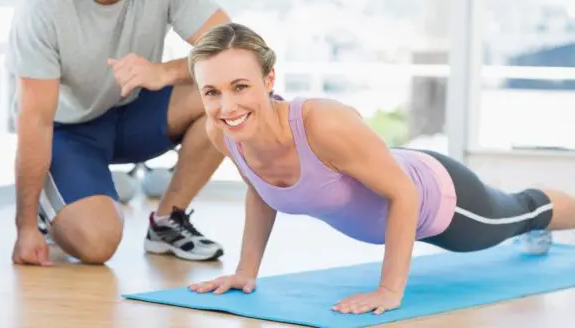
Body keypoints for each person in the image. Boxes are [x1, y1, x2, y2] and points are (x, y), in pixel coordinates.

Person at [185, 22, 575, 315]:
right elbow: (260, 189)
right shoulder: (221, 132)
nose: (227, 107)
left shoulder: (322, 123)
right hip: (394, 171)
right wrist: (245, 271)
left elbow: (404, 192)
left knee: (525, 211)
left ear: (269, 79)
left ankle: (544, 209)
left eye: (240, 87)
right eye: (212, 92)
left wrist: (389, 290)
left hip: (440, 201)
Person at [6, 0, 229, 266]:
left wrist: (164, 72)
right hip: (66, 131)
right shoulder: (43, 6)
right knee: (98, 243)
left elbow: (233, 49)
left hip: (130, 112)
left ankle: (167, 222)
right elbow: (34, 122)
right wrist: (24, 229)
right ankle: (47, 210)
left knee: (231, 100)